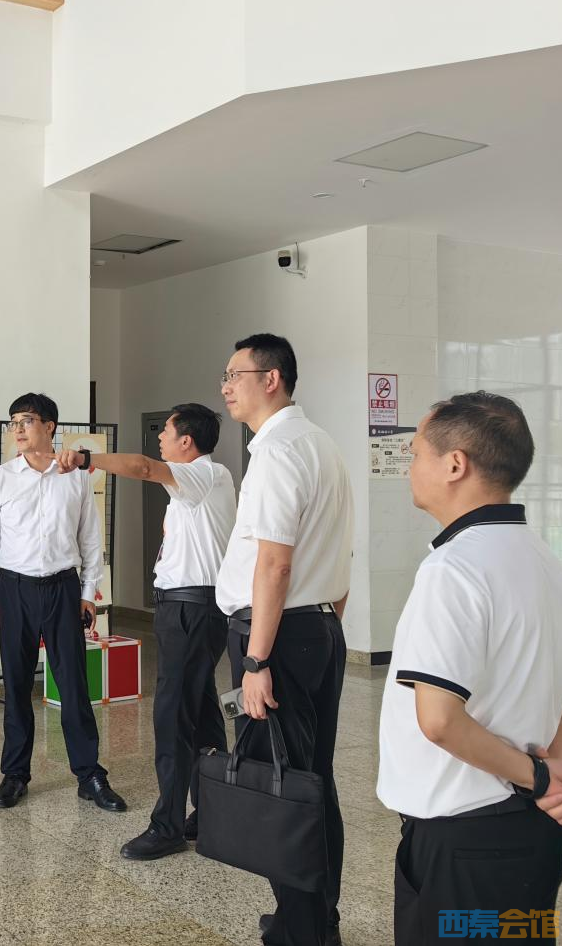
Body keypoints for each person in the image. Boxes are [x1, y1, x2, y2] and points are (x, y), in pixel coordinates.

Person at [377, 392, 562, 945]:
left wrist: (540, 777)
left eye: (416, 453)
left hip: (465, 844)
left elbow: (438, 719)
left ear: (455, 464)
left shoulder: (454, 569)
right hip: (532, 833)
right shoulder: (545, 559)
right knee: (522, 935)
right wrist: (555, 772)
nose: (410, 467)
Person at [216, 334, 352, 946]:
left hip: (275, 636)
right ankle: (318, 917)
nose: (225, 387)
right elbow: (339, 555)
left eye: (234, 374)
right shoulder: (322, 444)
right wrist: (323, 626)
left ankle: (301, 928)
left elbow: (274, 564)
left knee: (284, 784)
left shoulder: (276, 452)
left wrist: (256, 660)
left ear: (271, 379)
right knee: (312, 778)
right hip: (317, 627)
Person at [55, 403, 235, 859]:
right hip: (194, 608)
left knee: (172, 717)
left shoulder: (202, 475)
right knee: (201, 711)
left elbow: (142, 466)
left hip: (191, 609)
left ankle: (168, 825)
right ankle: (214, 812)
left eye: (166, 431)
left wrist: (86, 458)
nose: (160, 438)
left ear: (186, 441)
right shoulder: (201, 484)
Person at [0, 392, 126, 813]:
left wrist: (88, 592)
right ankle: (15, 774)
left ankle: (89, 774)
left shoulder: (76, 477)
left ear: (49, 426)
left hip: (63, 588)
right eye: (14, 422)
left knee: (74, 684)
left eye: (26, 421)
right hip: (14, 589)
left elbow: (90, 539)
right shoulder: (2, 477)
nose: (18, 430)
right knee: (17, 683)